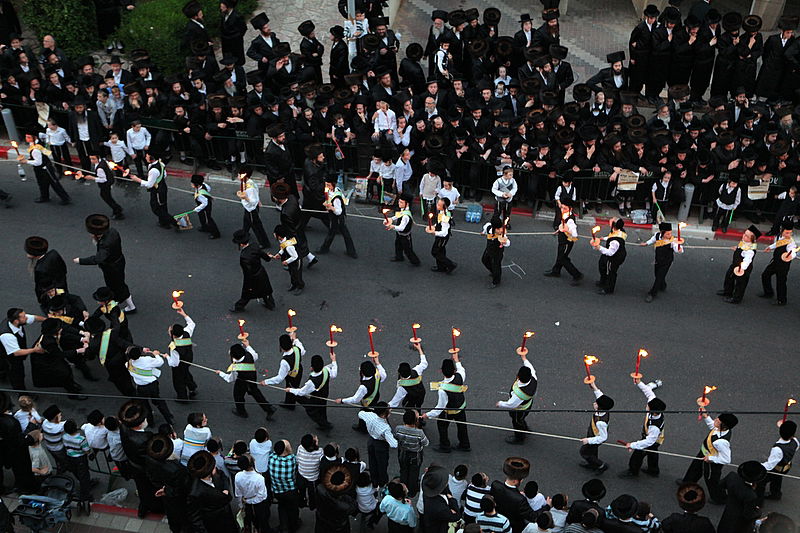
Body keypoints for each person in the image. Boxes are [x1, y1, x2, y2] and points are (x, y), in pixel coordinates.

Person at [75, 214, 135, 313]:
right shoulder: (113, 231)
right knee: (119, 284)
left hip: (111, 267)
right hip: (119, 261)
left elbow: (98, 259)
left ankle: (127, 305)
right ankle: (128, 304)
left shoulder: (104, 244)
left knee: (116, 285)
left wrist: (80, 261)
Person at [679, 411, 738, 503]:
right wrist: (706, 417)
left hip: (712, 463)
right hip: (704, 454)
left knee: (711, 480)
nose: (716, 420)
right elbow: (713, 427)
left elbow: (726, 459)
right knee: (695, 468)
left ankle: (719, 498)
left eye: (718, 420)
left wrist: (711, 459)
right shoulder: (720, 429)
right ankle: (687, 483)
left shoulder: (721, 442)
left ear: (724, 425)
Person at [217, 339, 276, 420]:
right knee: (255, 392)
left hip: (242, 382)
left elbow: (230, 379)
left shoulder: (235, 367)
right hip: (252, 377)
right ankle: (269, 408)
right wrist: (248, 345)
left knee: (238, 396)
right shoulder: (249, 354)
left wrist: (220, 373)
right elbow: (256, 355)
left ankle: (241, 412)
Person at [423, 351, 470, 452]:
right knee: (462, 427)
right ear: (454, 371)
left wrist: (428, 415)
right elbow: (461, 369)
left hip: (448, 412)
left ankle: (445, 446)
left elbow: (440, 407)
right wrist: (456, 359)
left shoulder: (442, 390)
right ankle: (464, 444)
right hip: (461, 408)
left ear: (441, 371)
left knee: (442, 426)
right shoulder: (460, 376)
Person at [619, 376, 665, 478]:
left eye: (648, 406)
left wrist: (633, 445)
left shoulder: (654, 427)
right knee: (652, 452)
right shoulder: (655, 409)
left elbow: (649, 441)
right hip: (653, 438)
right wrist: (639, 383)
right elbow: (649, 393)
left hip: (652, 439)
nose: (646, 406)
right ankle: (653, 470)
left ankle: (633, 471)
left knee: (638, 454)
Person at [186, 450, 238, 533]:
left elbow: (223, 477)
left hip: (226, 516)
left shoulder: (215, 473)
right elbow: (195, 518)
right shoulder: (195, 493)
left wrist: (225, 489)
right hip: (215, 523)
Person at [287, 351, 338, 430]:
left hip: (316, 397)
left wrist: (290, 389)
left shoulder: (311, 382)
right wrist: (334, 360)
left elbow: (302, 392)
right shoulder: (326, 370)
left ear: (312, 368)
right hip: (324, 393)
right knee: (322, 407)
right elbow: (334, 374)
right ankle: (325, 421)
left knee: (311, 410)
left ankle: (324, 424)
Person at [17, 130, 71, 205]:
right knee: (42, 183)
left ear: (34, 137)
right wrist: (29, 158)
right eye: (26, 137)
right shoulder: (36, 143)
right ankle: (44, 197)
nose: (27, 138)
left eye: (29, 137)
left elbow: (38, 162)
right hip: (42, 167)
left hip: (45, 168)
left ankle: (65, 198)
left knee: (54, 183)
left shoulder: (36, 149)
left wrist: (26, 161)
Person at [496, 349, 537, 445]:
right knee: (522, 419)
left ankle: (519, 437)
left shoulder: (519, 395)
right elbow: (530, 367)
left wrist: (500, 404)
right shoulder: (533, 378)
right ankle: (524, 428)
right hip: (527, 405)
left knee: (516, 421)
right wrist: (524, 358)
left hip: (519, 410)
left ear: (518, 376)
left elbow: (511, 404)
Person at [127, 346, 174, 428]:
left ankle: (150, 422)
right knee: (158, 401)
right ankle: (169, 418)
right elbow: (160, 362)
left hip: (141, 387)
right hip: (152, 385)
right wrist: (156, 354)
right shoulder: (146, 359)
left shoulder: (128, 364)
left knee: (145, 405)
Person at [230, 229, 276, 312]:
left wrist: (249, 284)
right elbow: (265, 256)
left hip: (252, 277)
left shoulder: (244, 256)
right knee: (266, 289)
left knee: (247, 293)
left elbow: (247, 272)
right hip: (261, 272)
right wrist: (268, 257)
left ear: (240, 243)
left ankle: (239, 306)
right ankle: (270, 304)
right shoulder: (255, 246)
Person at [1, 308, 45, 391]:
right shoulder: (7, 335)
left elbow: (34, 318)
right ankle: (22, 393)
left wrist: (46, 320)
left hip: (8, 350)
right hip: (10, 357)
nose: (27, 318)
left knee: (3, 368)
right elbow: (16, 352)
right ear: (16, 321)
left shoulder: (16, 320)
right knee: (17, 375)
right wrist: (34, 350)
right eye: (24, 317)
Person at [337, 358, 387, 431]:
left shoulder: (363, 387)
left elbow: (355, 399)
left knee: (364, 414)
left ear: (363, 373)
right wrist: (377, 363)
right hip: (375, 395)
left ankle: (363, 428)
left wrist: (342, 400)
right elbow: (384, 376)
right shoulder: (377, 373)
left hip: (368, 402)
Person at [130, 151, 176, 229]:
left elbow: (149, 184)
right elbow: (164, 175)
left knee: (156, 208)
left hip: (157, 191)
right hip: (162, 187)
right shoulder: (161, 164)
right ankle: (163, 222)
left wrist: (137, 179)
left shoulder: (153, 170)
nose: (145, 157)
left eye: (147, 156)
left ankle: (173, 221)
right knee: (163, 206)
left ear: (152, 157)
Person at [490, 457, 538, 533]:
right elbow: (533, 516)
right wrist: (547, 506)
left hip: (496, 521)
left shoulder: (495, 485)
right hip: (513, 527)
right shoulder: (520, 500)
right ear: (516, 481)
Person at [0, 392, 35, 493]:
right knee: (22, 469)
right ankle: (25, 488)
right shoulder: (10, 423)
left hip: (4, 448)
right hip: (12, 451)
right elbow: (19, 441)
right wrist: (31, 429)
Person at [756, 420, 798, 503]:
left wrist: (759, 466)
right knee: (777, 478)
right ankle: (775, 494)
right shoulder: (795, 441)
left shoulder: (777, 449)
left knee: (761, 482)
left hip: (776, 468)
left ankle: (758, 502)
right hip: (786, 466)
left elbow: (769, 465)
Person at [641, 222, 684, 302]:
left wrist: (680, 249)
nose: (669, 235)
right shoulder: (657, 236)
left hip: (666, 262)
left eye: (670, 233)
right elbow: (652, 240)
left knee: (658, 278)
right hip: (658, 260)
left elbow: (677, 247)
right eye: (667, 234)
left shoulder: (672, 241)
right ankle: (663, 285)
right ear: (661, 232)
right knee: (657, 274)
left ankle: (652, 293)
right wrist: (646, 243)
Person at [717, 461, 765, 533]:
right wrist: (758, 511)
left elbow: (721, 484)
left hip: (729, 510)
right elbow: (748, 514)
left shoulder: (732, 476)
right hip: (739, 520)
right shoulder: (750, 495)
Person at [262, 331, 306, 409]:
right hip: (299, 370)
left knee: (291, 389)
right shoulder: (297, 348)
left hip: (291, 375)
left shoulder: (284, 361)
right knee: (293, 388)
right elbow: (303, 351)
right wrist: (295, 339)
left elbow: (280, 378)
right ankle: (290, 403)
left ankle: (292, 404)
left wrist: (266, 382)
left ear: (281, 347)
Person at [718, 224, 760, 304]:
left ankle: (736, 298)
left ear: (752, 239)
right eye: (744, 234)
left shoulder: (750, 250)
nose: (744, 236)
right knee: (729, 276)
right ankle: (727, 291)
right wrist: (737, 249)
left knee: (740, 283)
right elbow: (741, 248)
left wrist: (742, 267)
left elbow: (747, 260)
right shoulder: (744, 243)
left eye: (747, 236)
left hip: (742, 269)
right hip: (735, 265)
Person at [544, 198, 582, 285]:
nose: (562, 210)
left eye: (565, 208)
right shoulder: (565, 215)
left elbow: (575, 234)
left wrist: (566, 230)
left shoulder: (571, 220)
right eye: (562, 208)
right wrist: (559, 231)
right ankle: (556, 270)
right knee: (560, 255)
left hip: (567, 242)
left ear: (570, 209)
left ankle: (576, 275)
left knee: (563, 258)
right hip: (562, 240)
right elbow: (562, 225)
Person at [23, 236, 68, 310]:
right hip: (62, 285)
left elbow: (41, 287)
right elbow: (64, 269)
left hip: (53, 293)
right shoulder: (54, 254)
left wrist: (41, 299)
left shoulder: (40, 270)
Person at [359, 402, 397, 488]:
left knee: (372, 462)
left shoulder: (370, 416)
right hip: (381, 445)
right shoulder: (385, 428)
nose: (390, 410)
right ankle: (382, 482)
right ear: (384, 414)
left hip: (371, 441)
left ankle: (374, 481)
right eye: (389, 409)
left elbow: (360, 413)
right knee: (382, 465)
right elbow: (393, 444)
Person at [579, 379, 613, 474]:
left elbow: (603, 437)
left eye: (596, 403)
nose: (594, 403)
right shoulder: (603, 410)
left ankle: (601, 465)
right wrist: (594, 387)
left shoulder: (600, 423)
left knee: (584, 452)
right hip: (593, 434)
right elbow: (600, 396)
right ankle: (593, 463)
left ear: (599, 407)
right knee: (592, 451)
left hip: (595, 437)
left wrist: (588, 440)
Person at [317, 176, 357, 258]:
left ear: (333, 185)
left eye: (328, 185)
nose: (326, 187)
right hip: (336, 218)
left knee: (338, 233)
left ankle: (324, 249)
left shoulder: (336, 198)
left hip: (337, 218)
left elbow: (338, 212)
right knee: (337, 233)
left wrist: (330, 207)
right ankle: (351, 252)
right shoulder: (335, 191)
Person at [164, 307, 198, 402]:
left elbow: (174, 363)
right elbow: (192, 324)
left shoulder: (174, 346)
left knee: (178, 380)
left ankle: (182, 397)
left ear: (173, 335)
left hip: (179, 365)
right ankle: (192, 388)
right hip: (188, 358)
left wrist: (167, 357)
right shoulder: (186, 333)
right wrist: (184, 314)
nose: (169, 328)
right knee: (186, 373)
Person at [62, 419, 94, 515]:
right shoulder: (81, 439)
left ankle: (82, 484)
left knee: (77, 474)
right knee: (84, 477)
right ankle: (85, 497)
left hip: (70, 458)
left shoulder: (64, 437)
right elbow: (87, 450)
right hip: (80, 460)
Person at [760, 220, 796, 306]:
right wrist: (770, 247)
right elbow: (777, 244)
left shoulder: (790, 242)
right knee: (765, 275)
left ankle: (782, 300)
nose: (789, 235)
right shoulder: (778, 237)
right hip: (775, 261)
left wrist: (791, 255)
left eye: (790, 233)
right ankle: (768, 292)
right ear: (781, 230)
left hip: (783, 265)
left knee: (781, 281)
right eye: (787, 233)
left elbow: (793, 250)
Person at [394, 409, 428, 498]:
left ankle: (403, 488)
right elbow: (426, 443)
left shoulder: (398, 428)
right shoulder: (419, 432)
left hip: (403, 453)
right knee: (414, 472)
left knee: (403, 470)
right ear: (415, 421)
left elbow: (395, 437)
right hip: (415, 455)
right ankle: (412, 491)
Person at [268, 440, 301, 533]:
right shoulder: (292, 460)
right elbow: (292, 455)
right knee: (293, 509)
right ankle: (293, 526)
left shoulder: (271, 458)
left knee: (282, 507)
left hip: (278, 491)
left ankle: (284, 527)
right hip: (291, 491)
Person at [316, 464, 358, 533]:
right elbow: (354, 507)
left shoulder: (320, 489)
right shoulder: (346, 505)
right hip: (339, 527)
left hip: (321, 522)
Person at [235, 454, 271, 533]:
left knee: (250, 522)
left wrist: (242, 504)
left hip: (246, 504)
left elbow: (238, 494)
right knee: (262, 523)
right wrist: (251, 500)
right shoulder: (259, 478)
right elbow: (262, 496)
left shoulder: (237, 476)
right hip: (260, 505)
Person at [237, 166, 271, 249]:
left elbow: (252, 201)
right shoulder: (248, 182)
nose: (237, 175)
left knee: (257, 227)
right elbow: (257, 192)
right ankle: (244, 234)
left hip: (251, 209)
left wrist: (245, 198)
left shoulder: (249, 188)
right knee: (246, 222)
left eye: (239, 174)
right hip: (248, 209)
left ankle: (264, 243)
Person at [591, 217, 627, 295]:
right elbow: (612, 236)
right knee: (602, 264)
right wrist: (603, 238)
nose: (611, 219)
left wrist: (598, 247)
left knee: (611, 272)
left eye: (613, 219)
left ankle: (608, 288)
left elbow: (610, 252)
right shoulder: (619, 231)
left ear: (613, 225)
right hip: (612, 253)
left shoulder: (615, 241)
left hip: (614, 258)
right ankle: (603, 280)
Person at [421, 465, 461, 533]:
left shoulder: (428, 491)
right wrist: (451, 499)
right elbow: (456, 516)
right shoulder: (440, 508)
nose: (447, 483)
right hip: (437, 528)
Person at [385, 193, 420, 265]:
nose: (399, 203)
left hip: (405, 235)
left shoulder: (406, 216)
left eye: (401, 202)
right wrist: (390, 219)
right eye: (399, 201)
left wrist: (392, 226)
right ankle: (399, 256)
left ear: (407, 204)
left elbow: (401, 227)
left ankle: (415, 261)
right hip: (399, 233)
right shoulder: (402, 210)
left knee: (407, 249)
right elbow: (397, 216)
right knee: (398, 244)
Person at [426, 197, 457, 273]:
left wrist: (434, 232)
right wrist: (434, 226)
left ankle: (450, 264)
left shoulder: (445, 217)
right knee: (441, 251)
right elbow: (439, 222)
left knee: (435, 252)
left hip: (442, 237)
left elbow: (444, 232)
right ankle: (441, 267)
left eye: (439, 205)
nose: (437, 206)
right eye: (438, 204)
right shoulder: (442, 212)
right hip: (440, 235)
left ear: (445, 206)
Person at [271, 225, 304, 295]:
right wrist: (279, 254)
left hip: (296, 261)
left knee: (297, 274)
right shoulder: (284, 240)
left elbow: (295, 256)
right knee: (292, 273)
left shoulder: (289, 247)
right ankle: (294, 284)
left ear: (279, 236)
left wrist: (286, 261)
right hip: (292, 260)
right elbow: (283, 247)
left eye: (275, 234)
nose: (274, 235)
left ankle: (300, 286)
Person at [189, 174, 220, 239]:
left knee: (208, 219)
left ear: (197, 185)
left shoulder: (201, 195)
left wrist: (197, 208)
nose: (191, 184)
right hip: (202, 204)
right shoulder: (203, 185)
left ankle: (215, 233)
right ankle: (204, 227)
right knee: (201, 216)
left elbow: (205, 203)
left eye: (192, 183)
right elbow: (209, 188)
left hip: (205, 206)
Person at [482, 216, 510, 288]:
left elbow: (508, 243)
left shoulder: (502, 234)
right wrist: (483, 232)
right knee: (484, 260)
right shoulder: (489, 227)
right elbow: (485, 227)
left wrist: (504, 242)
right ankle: (493, 271)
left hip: (497, 253)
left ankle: (496, 281)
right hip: (489, 249)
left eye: (500, 228)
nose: (500, 230)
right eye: (498, 229)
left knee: (496, 266)